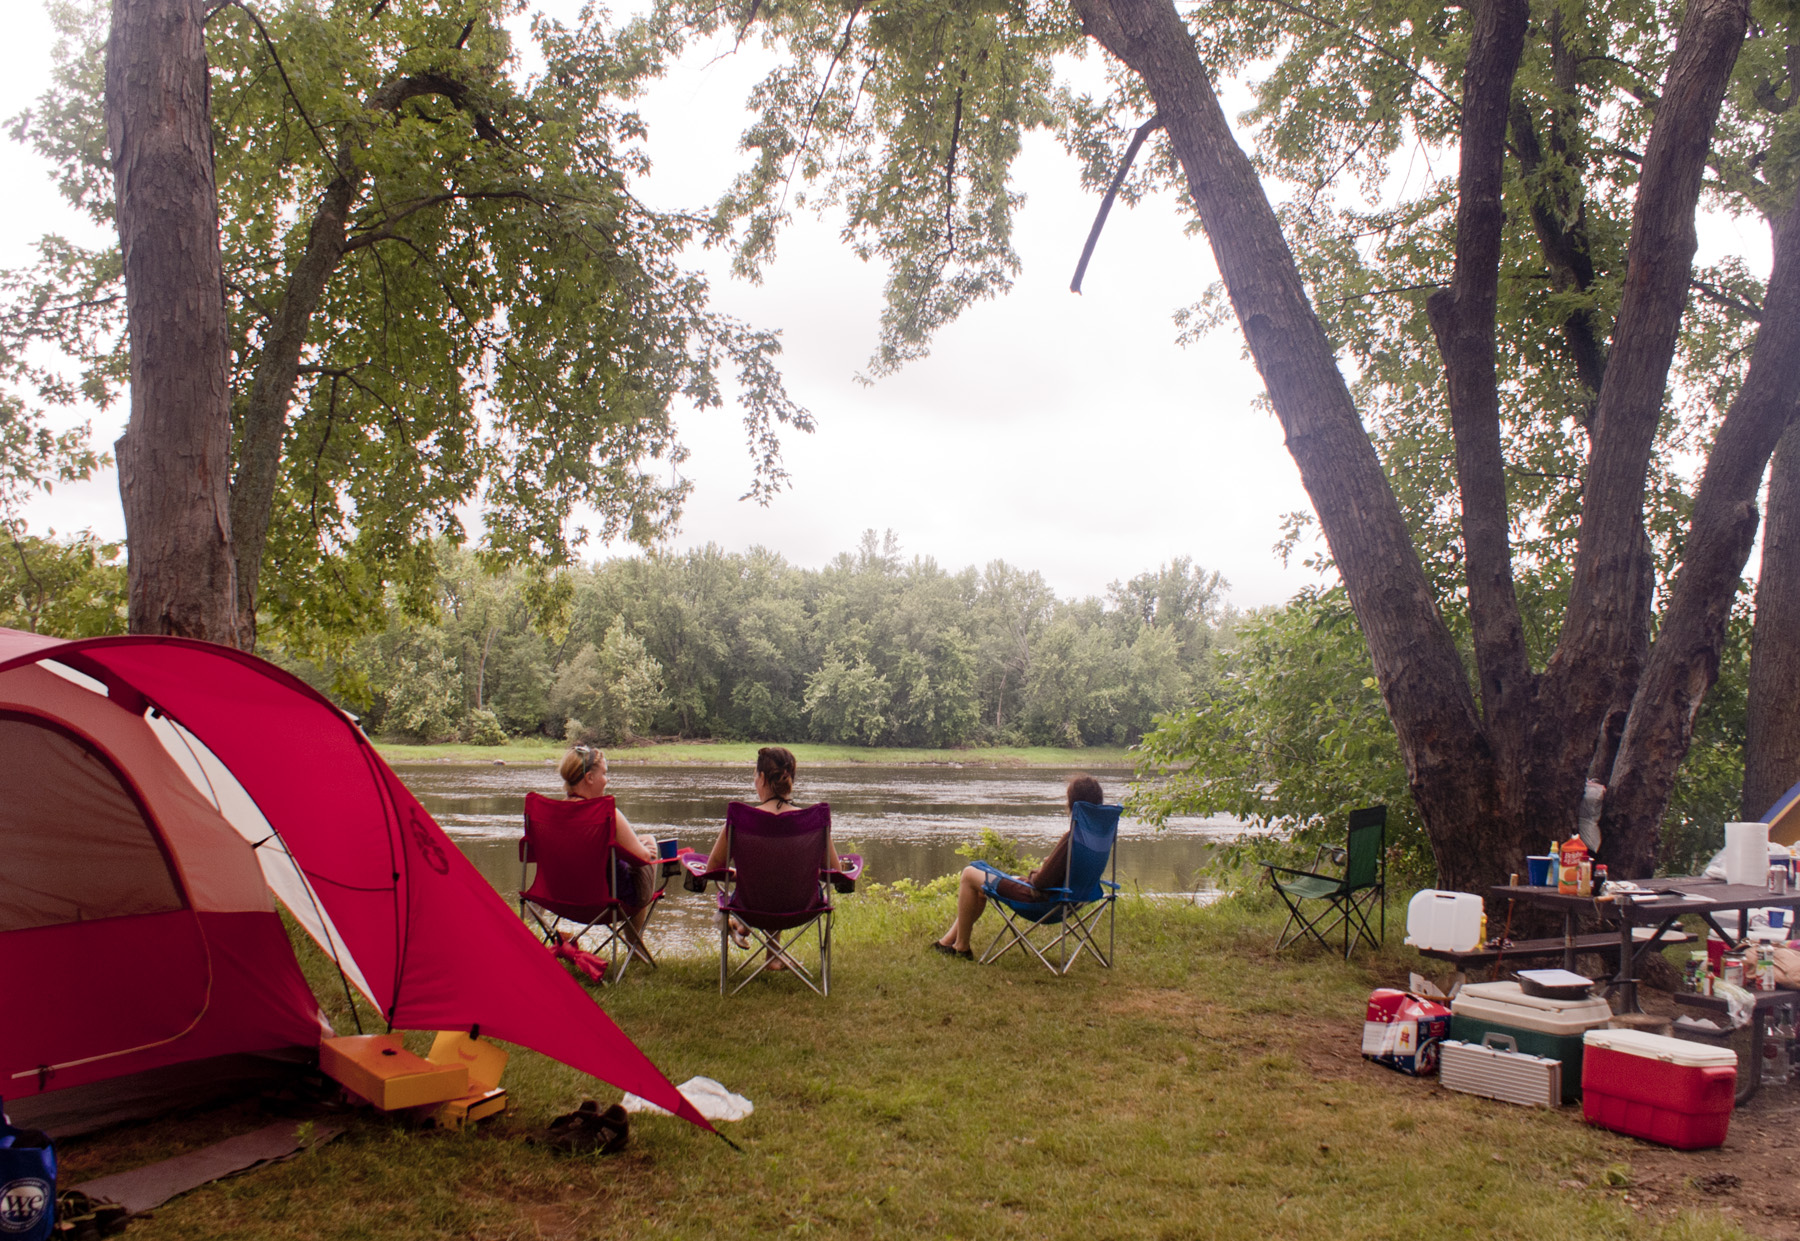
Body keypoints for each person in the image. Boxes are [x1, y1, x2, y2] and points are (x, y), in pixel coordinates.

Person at [933, 773, 1105, 960]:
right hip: (1073, 901)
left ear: (1073, 804)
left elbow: (1041, 881)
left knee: (968, 875)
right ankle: (946, 942)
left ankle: (961, 947)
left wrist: (1040, 869)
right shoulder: (1099, 837)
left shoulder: (1072, 838)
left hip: (1042, 901)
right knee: (981, 888)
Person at [705, 745, 836, 961]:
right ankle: (773, 957)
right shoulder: (813, 821)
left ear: (763, 778)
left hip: (751, 906)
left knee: (767, 884)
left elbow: (713, 869)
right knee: (780, 878)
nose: (754, 780)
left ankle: (739, 924)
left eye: (755, 775)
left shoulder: (741, 819)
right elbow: (834, 871)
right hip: (803, 906)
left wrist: (742, 876)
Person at [559, 744, 660, 934]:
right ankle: (634, 941)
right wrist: (646, 849)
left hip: (561, 899)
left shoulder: (552, 814)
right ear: (589, 778)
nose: (607, 780)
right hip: (610, 900)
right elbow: (643, 858)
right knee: (648, 840)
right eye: (604, 773)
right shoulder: (608, 813)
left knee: (627, 850)